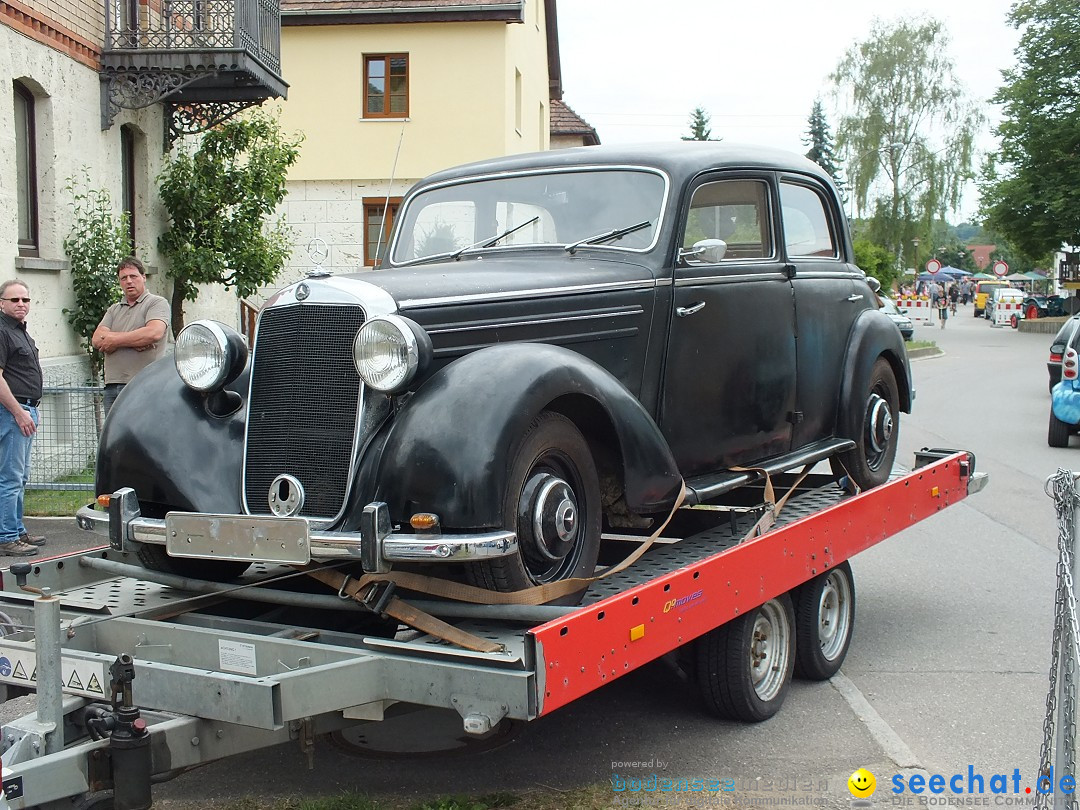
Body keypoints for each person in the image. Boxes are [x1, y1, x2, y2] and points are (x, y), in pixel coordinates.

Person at [0, 280, 46, 556]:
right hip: (12, 412)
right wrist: (18, 412)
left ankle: (17, 530)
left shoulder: (20, 331)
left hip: (26, 410)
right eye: (14, 300)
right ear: (1, 303)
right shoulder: (2, 331)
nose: (20, 304)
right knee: (11, 477)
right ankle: (7, 537)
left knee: (21, 476)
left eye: (25, 300)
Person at [92, 257, 170, 416]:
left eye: (133, 276)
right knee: (115, 440)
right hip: (112, 387)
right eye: (124, 278)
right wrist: (134, 340)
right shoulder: (114, 309)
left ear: (143, 277)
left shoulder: (156, 303)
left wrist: (113, 340)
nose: (129, 281)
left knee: (142, 437)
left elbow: (153, 332)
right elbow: (96, 339)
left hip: (144, 385)